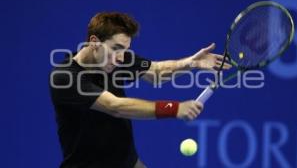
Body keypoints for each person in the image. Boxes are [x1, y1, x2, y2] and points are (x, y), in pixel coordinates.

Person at [49, 12, 231, 168]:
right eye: (116, 49)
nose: (121, 57)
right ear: (94, 42)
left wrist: (191, 63)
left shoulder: (118, 59)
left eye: (125, 50)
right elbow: (115, 106)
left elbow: (156, 72)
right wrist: (173, 108)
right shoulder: (65, 77)